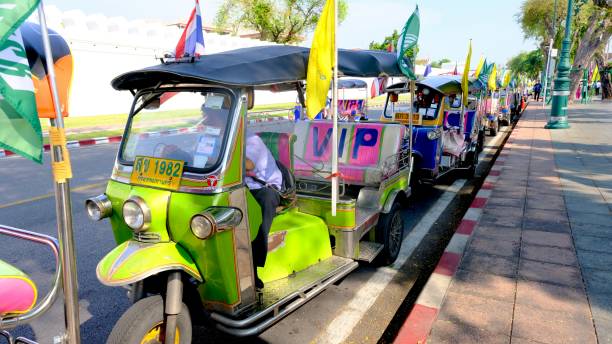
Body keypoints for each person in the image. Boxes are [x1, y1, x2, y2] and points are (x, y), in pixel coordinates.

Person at [245, 132, 283, 290]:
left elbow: (249, 165)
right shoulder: (215, 138)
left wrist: (226, 151)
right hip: (242, 188)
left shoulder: (250, 140)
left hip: (263, 188)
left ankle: (253, 265)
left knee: (260, 209)